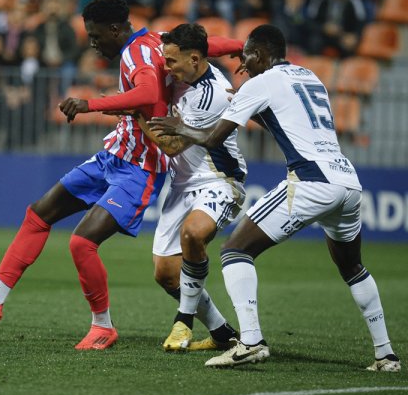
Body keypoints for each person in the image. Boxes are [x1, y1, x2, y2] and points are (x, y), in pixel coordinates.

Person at [0, 0, 242, 350]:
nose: (93, 43)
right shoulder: (156, 40)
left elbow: (146, 90)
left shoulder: (136, 55)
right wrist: (240, 46)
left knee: (83, 243)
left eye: (97, 36)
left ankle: (103, 326)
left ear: (116, 29)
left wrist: (91, 105)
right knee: (39, 214)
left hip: (139, 169)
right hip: (113, 154)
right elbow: (206, 45)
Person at [148, 24, 401, 372]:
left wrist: (180, 127)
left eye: (247, 58)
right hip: (347, 180)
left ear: (261, 54)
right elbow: (284, 121)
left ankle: (250, 341)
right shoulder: (310, 76)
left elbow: (212, 139)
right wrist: (248, 106)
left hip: (311, 181)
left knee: (236, 251)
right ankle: (385, 355)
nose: (243, 66)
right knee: (352, 267)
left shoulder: (260, 82)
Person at [139, 24, 246, 352]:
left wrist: (136, 115)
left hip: (219, 180)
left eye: (172, 61)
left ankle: (182, 322)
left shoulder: (212, 94)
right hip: (182, 184)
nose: (166, 67)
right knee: (166, 273)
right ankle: (222, 333)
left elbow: (171, 146)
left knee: (193, 234)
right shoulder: (184, 72)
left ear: (195, 60)